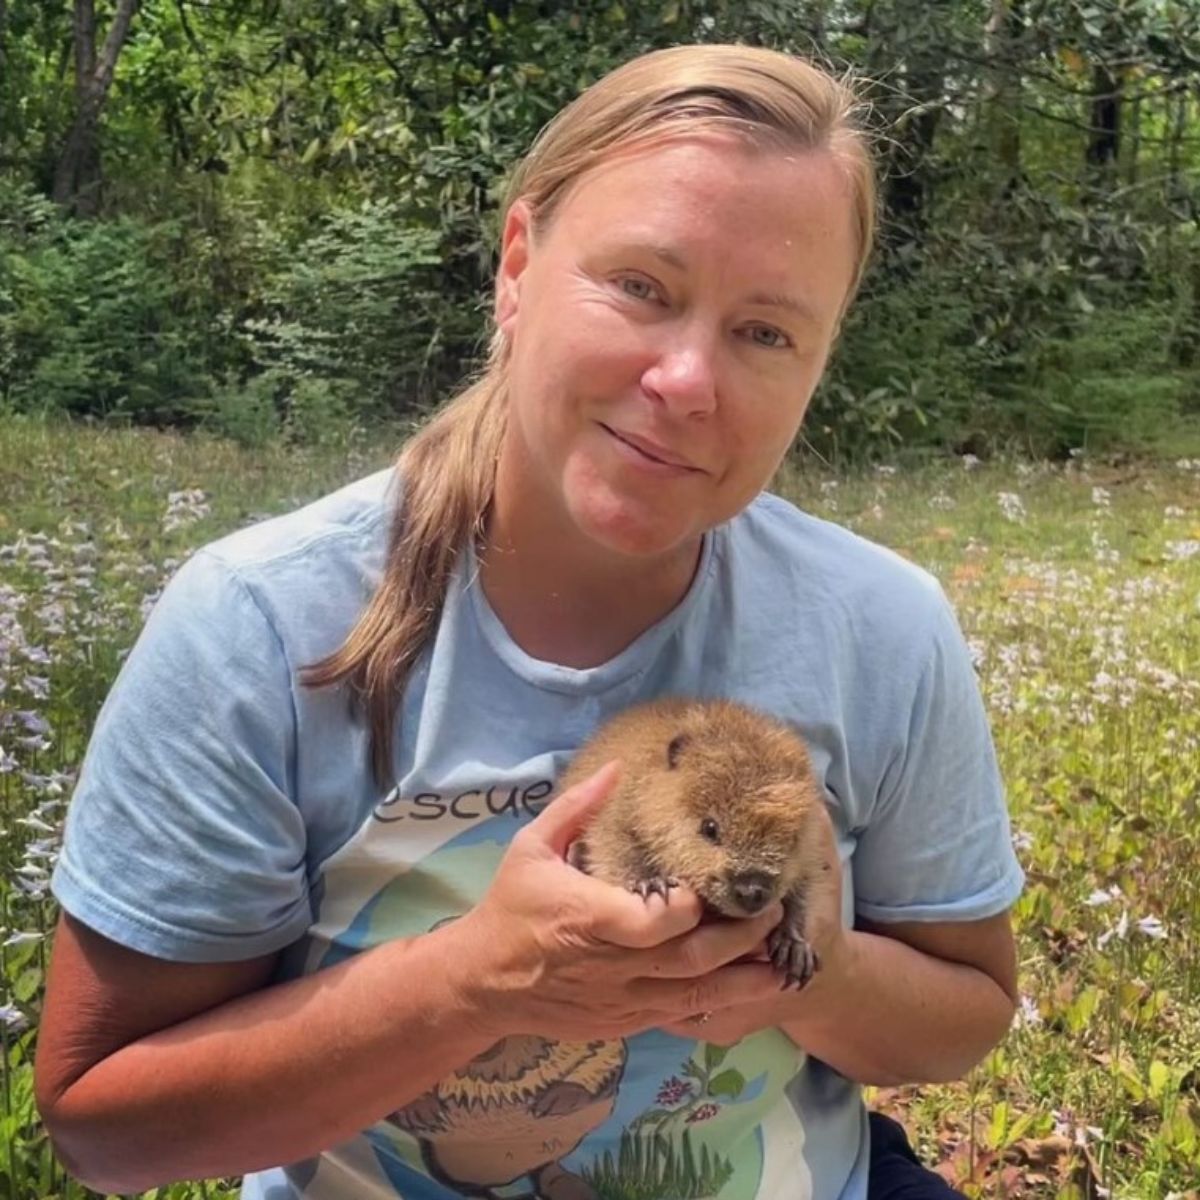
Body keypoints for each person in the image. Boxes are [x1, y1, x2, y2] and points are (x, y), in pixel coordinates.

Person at [35, 43, 1024, 1200]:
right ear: (516, 267)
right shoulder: (261, 623)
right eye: (643, 286)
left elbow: (966, 1016)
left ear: (819, 365)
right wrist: (480, 984)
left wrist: (818, 973)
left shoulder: (879, 625)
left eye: (768, 332)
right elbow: (103, 1130)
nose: (688, 380)